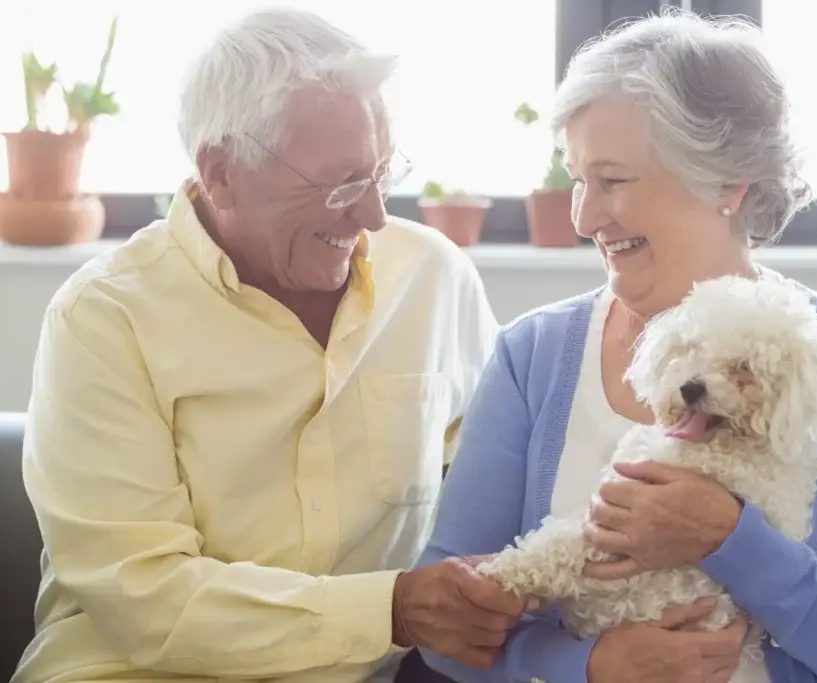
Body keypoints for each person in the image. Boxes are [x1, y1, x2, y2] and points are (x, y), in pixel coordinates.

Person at [415, 9, 817, 683]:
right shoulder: (533, 355)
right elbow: (442, 625)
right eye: (576, 179)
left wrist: (728, 540)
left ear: (726, 184)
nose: (583, 216)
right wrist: (590, 665)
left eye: (613, 179)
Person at [14, 9, 530, 683]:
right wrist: (391, 609)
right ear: (221, 172)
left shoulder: (432, 277)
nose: (373, 214)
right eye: (343, 183)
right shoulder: (104, 318)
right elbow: (146, 598)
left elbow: (500, 495)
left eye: (382, 173)